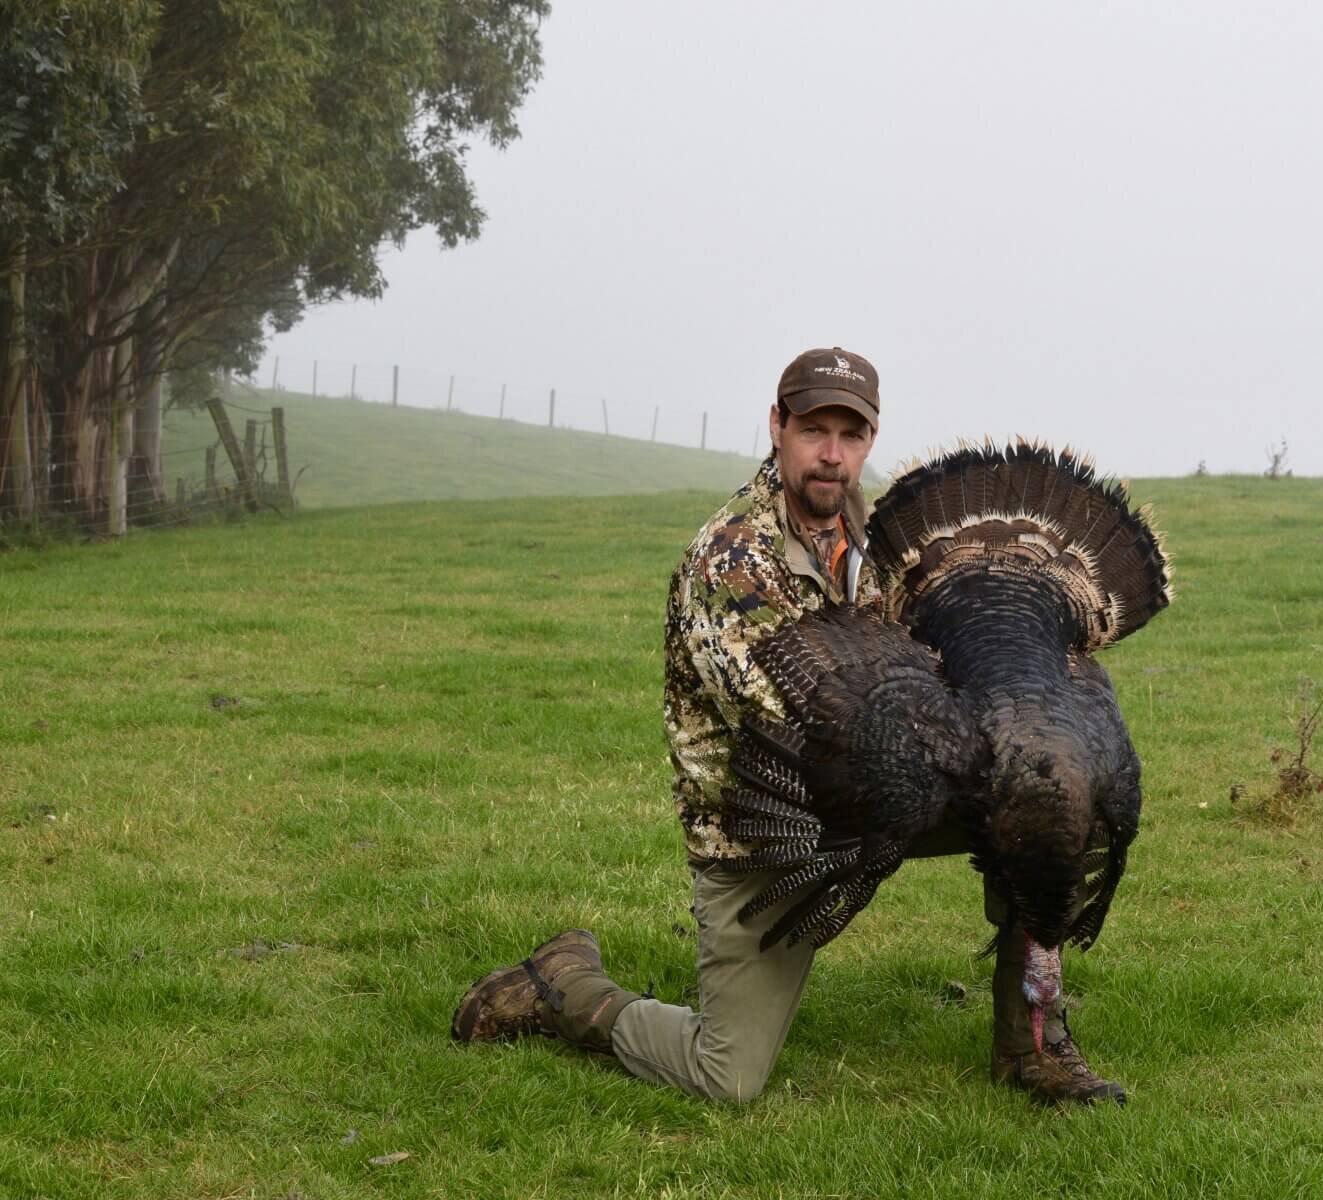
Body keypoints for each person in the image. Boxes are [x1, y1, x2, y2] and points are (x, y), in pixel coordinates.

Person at [452, 347, 1123, 1104]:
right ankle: (564, 987)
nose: (830, 455)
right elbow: (795, 730)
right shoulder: (732, 559)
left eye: (849, 434)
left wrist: (1019, 741)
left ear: (869, 441)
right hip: (768, 821)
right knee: (727, 1076)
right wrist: (949, 743)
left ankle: (1031, 1042)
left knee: (1050, 800)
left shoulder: (884, 541)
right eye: (813, 430)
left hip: (882, 795)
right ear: (778, 427)